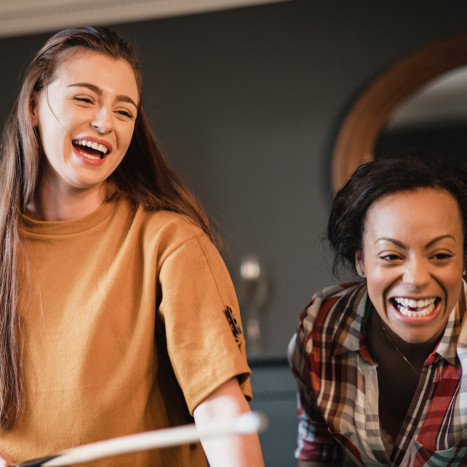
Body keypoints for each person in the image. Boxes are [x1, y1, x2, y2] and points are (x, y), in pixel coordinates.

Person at [0, 26, 264, 466]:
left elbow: (221, 413)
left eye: (124, 111)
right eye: (84, 99)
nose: (105, 122)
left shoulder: (171, 242)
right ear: (33, 105)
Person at [289, 155, 467, 466]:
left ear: (463, 259)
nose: (416, 280)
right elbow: (317, 454)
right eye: (391, 256)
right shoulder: (321, 328)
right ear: (360, 260)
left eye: (440, 255)